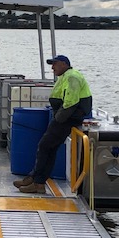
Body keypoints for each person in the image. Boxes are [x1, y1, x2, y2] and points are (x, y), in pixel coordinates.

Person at [13, 55, 92, 194]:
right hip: (66, 117)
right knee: (50, 148)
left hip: (67, 118)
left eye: (54, 64)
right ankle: (37, 181)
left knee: (44, 146)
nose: (52, 68)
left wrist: (59, 118)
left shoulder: (72, 77)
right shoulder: (66, 76)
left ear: (63, 64)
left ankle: (36, 181)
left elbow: (71, 101)